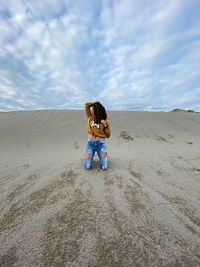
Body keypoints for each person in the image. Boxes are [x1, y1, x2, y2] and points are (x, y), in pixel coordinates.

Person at [84, 101, 111, 170]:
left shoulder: (105, 121)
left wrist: (105, 125)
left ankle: (103, 155)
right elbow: (86, 105)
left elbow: (108, 135)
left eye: (93, 110)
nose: (91, 111)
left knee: (104, 167)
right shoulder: (90, 118)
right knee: (87, 167)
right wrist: (97, 104)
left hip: (101, 143)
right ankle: (88, 155)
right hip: (90, 143)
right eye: (92, 109)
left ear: (97, 111)